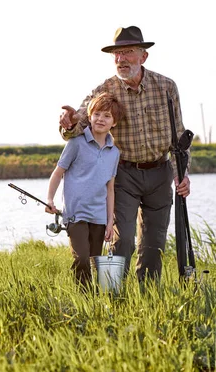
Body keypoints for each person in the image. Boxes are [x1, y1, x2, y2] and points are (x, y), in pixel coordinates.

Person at [59, 26, 191, 282]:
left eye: (128, 52)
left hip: (161, 174)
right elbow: (78, 123)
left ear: (143, 57)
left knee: (154, 246)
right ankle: (112, 296)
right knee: (122, 241)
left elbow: (179, 138)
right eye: (116, 54)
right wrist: (68, 122)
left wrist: (182, 174)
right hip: (123, 175)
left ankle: (148, 299)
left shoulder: (166, 87)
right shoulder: (105, 90)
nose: (121, 59)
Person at [46, 92, 124, 287]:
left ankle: (96, 300)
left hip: (98, 217)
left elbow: (110, 189)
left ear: (114, 122)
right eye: (97, 114)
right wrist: (50, 200)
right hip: (75, 215)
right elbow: (57, 173)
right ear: (89, 116)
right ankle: (83, 299)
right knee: (81, 259)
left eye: (107, 116)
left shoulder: (114, 153)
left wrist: (109, 222)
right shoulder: (76, 143)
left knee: (95, 260)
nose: (101, 119)